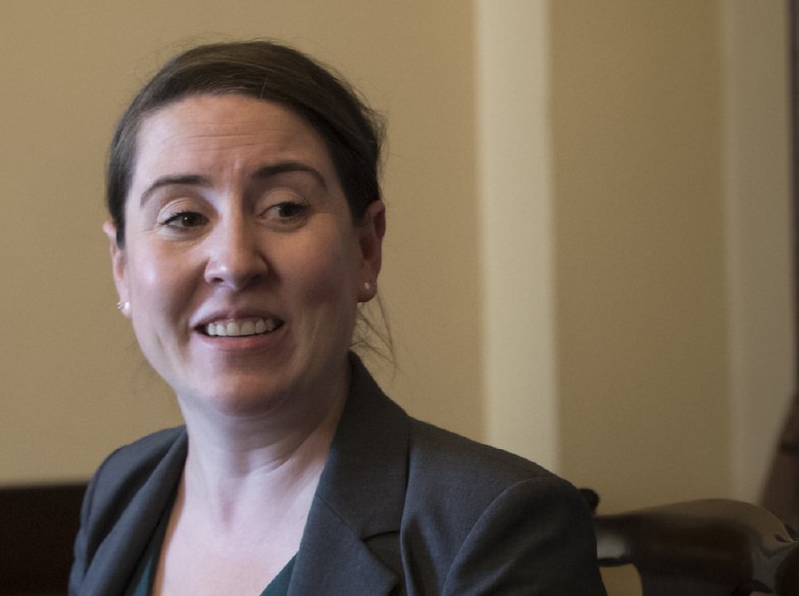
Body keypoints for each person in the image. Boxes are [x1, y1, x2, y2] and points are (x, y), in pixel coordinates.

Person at [69, 40, 606, 596]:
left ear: (366, 249)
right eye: (183, 217)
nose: (234, 263)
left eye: (285, 208)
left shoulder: (497, 525)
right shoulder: (122, 490)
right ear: (121, 267)